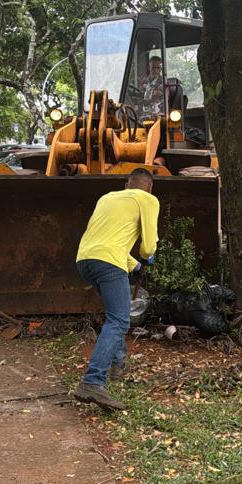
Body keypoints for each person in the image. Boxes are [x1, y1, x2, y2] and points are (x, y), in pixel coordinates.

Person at [73, 168, 159, 410]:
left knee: (114, 316)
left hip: (85, 260)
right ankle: (92, 381)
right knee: (120, 320)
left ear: (126, 184)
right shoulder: (148, 199)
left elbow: (107, 240)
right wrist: (147, 257)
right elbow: (149, 244)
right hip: (109, 263)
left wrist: (135, 265)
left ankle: (118, 365)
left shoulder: (107, 198)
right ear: (149, 187)